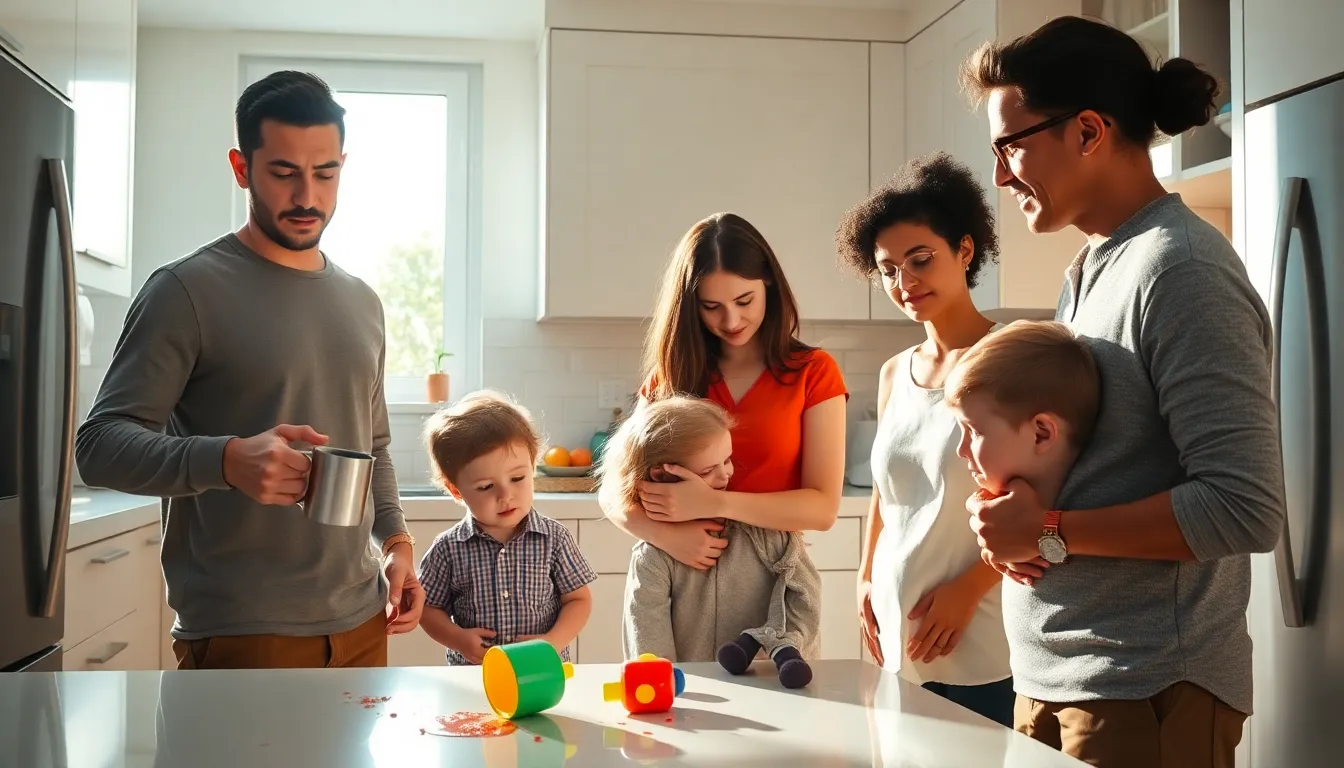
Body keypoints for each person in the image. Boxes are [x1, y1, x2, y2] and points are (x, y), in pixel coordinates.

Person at [960, 16, 1285, 767]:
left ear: (1088, 132)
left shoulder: (1181, 271)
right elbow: (1105, 465)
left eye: (1011, 147)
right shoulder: (1096, 266)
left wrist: (1047, 531)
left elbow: (1244, 507)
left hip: (1145, 692)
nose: (1001, 177)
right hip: (1066, 683)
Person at [74, 70, 425, 669]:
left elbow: (377, 446)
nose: (307, 197)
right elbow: (99, 446)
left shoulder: (363, 301)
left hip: (364, 622)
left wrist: (395, 544)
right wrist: (226, 460)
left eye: (325, 173)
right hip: (243, 631)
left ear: (344, 164)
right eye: (284, 173)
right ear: (242, 169)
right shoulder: (185, 290)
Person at [597, 212, 847, 655]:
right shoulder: (669, 378)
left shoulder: (814, 373)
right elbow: (614, 495)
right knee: (675, 705)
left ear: (770, 283)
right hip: (681, 575)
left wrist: (716, 503)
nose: (730, 320)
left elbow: (822, 507)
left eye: (744, 300)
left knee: (782, 707)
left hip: (772, 582)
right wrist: (667, 536)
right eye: (711, 306)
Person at [836, 151, 1015, 725]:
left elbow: (1049, 495)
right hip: (898, 633)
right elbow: (887, 494)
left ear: (965, 249)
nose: (904, 283)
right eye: (888, 269)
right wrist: (866, 576)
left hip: (983, 634)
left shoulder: (1014, 355)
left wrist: (969, 588)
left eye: (921, 260)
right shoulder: (895, 372)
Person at [599, 395, 821, 688]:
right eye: (708, 471)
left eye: (727, 460)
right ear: (661, 474)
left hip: (773, 689)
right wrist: (663, 693)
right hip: (691, 702)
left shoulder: (764, 533)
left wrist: (786, 645)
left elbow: (805, 593)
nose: (726, 473)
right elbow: (648, 648)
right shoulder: (653, 555)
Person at [416, 391, 596, 665]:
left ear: (533, 468)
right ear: (456, 491)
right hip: (475, 675)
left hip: (543, 669)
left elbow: (578, 600)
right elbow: (428, 609)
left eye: (517, 478)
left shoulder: (554, 538)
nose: (506, 495)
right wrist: (457, 639)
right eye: (486, 487)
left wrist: (552, 643)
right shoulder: (447, 548)